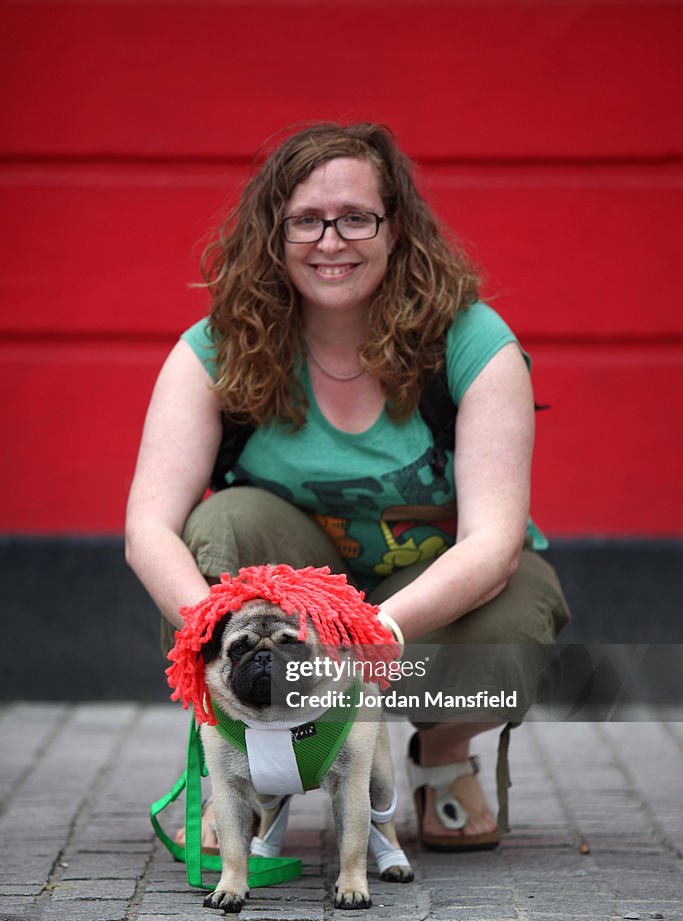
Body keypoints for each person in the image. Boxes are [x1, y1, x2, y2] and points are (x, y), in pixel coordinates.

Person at [125, 121, 570, 853]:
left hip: (426, 608)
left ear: (395, 229)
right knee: (223, 524)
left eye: (355, 217)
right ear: (275, 233)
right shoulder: (215, 348)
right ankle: (258, 767)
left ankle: (441, 755)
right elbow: (147, 528)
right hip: (291, 614)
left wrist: (375, 635)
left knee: (515, 633)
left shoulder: (472, 342)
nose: (331, 242)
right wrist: (210, 637)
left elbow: (492, 542)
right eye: (306, 221)